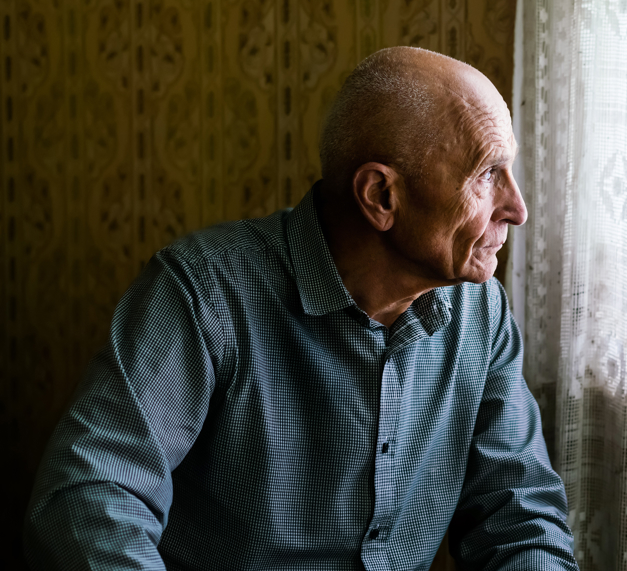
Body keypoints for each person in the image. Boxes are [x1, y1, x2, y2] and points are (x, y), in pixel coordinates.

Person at [24, 47, 578, 571]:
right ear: (382, 197)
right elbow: (90, 495)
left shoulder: (480, 315)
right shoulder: (204, 293)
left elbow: (519, 517)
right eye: (486, 173)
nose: (518, 208)